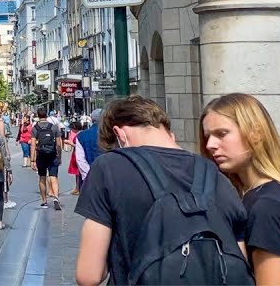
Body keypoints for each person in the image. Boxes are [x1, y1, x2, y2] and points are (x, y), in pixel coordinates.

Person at [75, 96, 249, 286]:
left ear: (120, 134)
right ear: (167, 130)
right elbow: (239, 261)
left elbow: (89, 275)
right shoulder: (216, 174)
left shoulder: (108, 166)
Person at [201, 93, 280, 285]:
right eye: (207, 136)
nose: (210, 145)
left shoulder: (268, 207)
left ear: (255, 133)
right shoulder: (257, 197)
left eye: (221, 134)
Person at [31, 107, 63, 210]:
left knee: (42, 177)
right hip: (52, 154)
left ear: (38, 115)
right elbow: (58, 144)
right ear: (46, 115)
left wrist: (32, 159)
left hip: (41, 155)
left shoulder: (35, 128)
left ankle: (44, 201)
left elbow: (32, 144)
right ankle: (56, 197)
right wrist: (59, 156)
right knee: (53, 177)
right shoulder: (54, 127)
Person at [74, 108, 104, 181]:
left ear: (92, 119)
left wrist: (88, 175)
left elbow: (80, 159)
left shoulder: (81, 136)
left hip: (89, 178)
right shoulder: (111, 134)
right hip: (108, 176)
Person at [66, 119, 83, 195]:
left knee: (79, 172)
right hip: (75, 152)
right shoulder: (79, 134)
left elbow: (79, 146)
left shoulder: (80, 135)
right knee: (76, 172)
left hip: (78, 153)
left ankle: (79, 188)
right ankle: (77, 187)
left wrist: (70, 143)